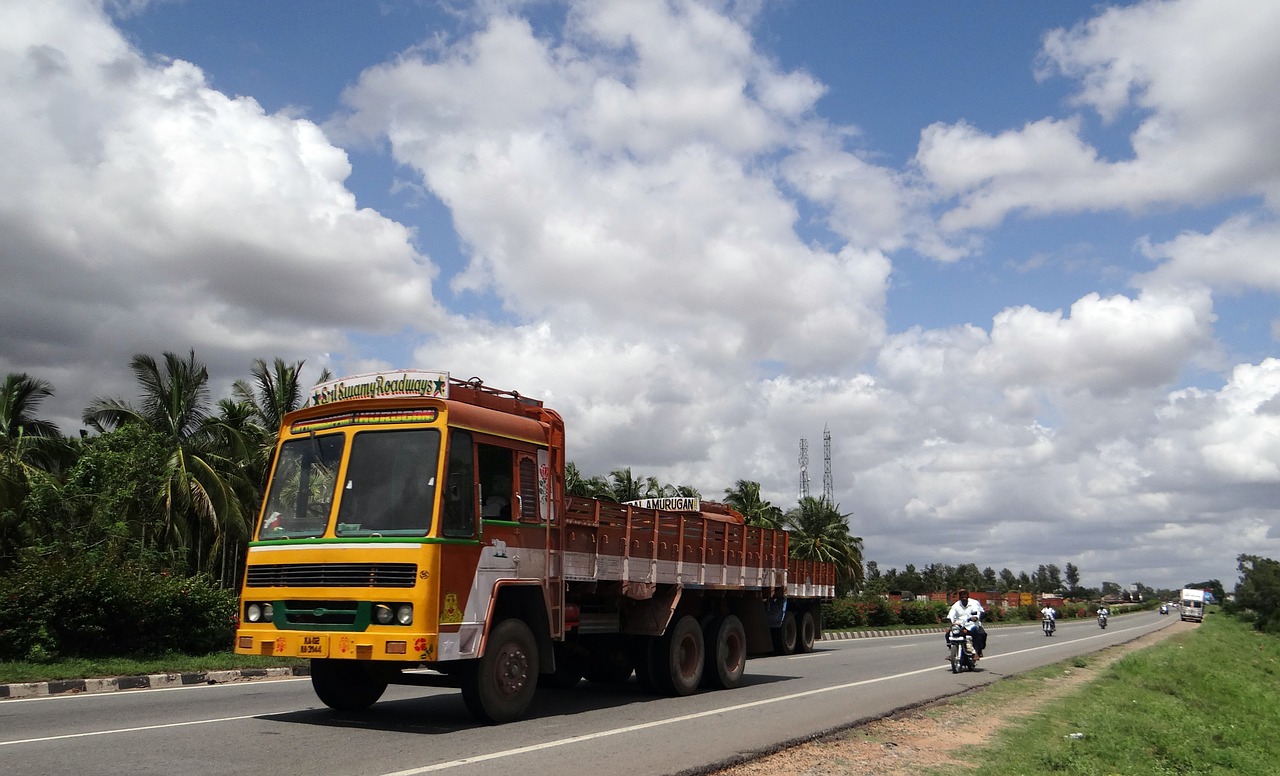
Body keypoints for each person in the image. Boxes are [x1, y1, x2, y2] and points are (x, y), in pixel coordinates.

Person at [946, 589, 987, 657]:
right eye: (962, 595)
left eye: (965, 594)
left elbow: (977, 611)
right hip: (960, 625)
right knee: (948, 633)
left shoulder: (974, 603)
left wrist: (975, 617)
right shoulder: (956, 605)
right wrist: (951, 620)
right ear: (959, 597)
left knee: (979, 634)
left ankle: (977, 651)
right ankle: (953, 651)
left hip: (972, 624)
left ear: (968, 596)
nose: (964, 597)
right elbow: (951, 614)